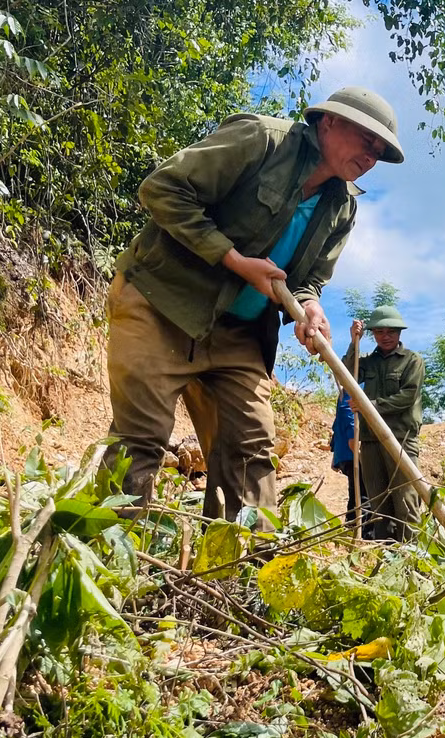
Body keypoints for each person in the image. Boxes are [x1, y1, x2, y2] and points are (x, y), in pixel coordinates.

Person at [106, 86, 403, 518]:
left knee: (251, 454)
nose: (371, 156)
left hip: (241, 336)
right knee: (140, 442)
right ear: (329, 121)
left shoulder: (343, 208)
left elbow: (310, 280)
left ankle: (244, 558)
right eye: (366, 139)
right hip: (162, 305)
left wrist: (310, 306)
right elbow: (163, 189)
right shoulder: (262, 140)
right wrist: (233, 260)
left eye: (379, 151)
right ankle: (107, 548)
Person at [345, 306, 425, 540]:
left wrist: (369, 405)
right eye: (379, 332)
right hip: (371, 440)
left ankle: (411, 555)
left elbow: (407, 396)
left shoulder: (412, 361)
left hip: (401, 439)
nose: (385, 336)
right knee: (379, 505)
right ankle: (385, 555)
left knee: (406, 501)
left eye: (391, 331)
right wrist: (354, 342)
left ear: (399, 333)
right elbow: (347, 375)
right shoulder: (367, 362)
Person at [330, 391, 357, 525]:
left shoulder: (345, 391)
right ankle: (360, 529)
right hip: (351, 451)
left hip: (344, 451)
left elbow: (338, 422)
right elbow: (348, 413)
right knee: (362, 494)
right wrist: (353, 440)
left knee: (355, 492)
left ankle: (351, 526)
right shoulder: (355, 387)